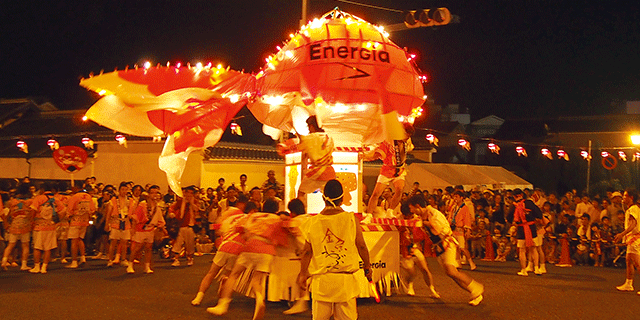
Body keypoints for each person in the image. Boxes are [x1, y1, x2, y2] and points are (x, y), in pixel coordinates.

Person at [294, 179, 372, 320]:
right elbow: (361, 246)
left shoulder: (312, 222)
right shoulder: (350, 219)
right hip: (345, 282)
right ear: (342, 199)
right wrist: (367, 266)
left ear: (323, 198)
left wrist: (303, 274)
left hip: (322, 281)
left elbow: (307, 252)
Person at [207, 198, 285, 319]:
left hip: (251, 246)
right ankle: (259, 299)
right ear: (276, 209)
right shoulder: (277, 219)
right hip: (267, 251)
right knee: (256, 280)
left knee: (234, 275)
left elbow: (242, 230)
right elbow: (281, 240)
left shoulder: (254, 216)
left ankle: (223, 304)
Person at [407, 193, 484, 306]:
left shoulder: (433, 213)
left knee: (451, 270)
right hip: (439, 247)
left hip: (447, 243)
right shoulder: (422, 216)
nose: (412, 211)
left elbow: (437, 230)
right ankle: (474, 292)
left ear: (417, 205)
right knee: (451, 273)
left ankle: (477, 287)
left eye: (412, 208)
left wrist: (424, 223)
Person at [191, 194, 249, 306]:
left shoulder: (228, 214)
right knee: (229, 275)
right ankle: (222, 299)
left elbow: (217, 229)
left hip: (225, 245)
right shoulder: (246, 217)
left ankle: (199, 297)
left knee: (211, 273)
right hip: (238, 248)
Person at [365, 125, 414, 215]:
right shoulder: (389, 142)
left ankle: (390, 211)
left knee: (400, 189)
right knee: (376, 194)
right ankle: (369, 214)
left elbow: (410, 148)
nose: (407, 137)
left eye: (408, 135)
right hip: (387, 170)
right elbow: (378, 154)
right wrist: (366, 157)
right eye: (405, 135)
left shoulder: (407, 141)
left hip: (400, 170)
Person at [398, 202, 440, 298]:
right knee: (411, 272)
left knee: (425, 269)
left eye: (411, 214)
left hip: (416, 248)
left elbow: (422, 235)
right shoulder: (398, 220)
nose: (410, 216)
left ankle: (432, 289)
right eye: (408, 215)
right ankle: (410, 284)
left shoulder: (417, 219)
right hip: (403, 251)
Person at [127, 185, 166, 274]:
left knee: (149, 248)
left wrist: (161, 228)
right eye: (152, 193)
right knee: (137, 248)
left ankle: (147, 266)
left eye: (156, 193)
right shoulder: (142, 205)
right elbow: (135, 217)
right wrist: (133, 229)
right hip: (141, 228)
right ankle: (130, 265)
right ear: (148, 194)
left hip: (150, 229)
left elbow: (160, 219)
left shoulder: (158, 206)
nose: (154, 195)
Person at [29, 183, 67, 273]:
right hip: (51, 226)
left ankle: (37, 266)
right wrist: (58, 220)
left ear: (42, 190)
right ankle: (44, 267)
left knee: (37, 247)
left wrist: (31, 222)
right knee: (48, 248)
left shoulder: (39, 198)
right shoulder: (56, 200)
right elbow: (63, 211)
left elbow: (33, 210)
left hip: (39, 225)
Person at [508, 189, 542, 276]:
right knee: (534, 248)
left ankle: (524, 269)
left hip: (521, 228)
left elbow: (508, 217)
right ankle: (537, 268)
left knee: (522, 250)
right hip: (531, 227)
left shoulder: (514, 206)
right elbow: (539, 214)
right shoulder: (529, 203)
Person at [1, 184, 33, 271]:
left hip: (14, 225)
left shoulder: (12, 202)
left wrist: (6, 223)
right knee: (25, 245)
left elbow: (8, 214)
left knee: (11, 244)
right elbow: (31, 214)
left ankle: (4, 261)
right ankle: (24, 264)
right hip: (25, 225)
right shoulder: (30, 201)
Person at [615, 189, 640, 293]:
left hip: (635, 238)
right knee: (629, 260)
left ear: (631, 197)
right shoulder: (630, 209)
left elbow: (633, 224)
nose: (623, 198)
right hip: (631, 238)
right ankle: (628, 284)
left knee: (637, 262)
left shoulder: (634, 208)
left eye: (625, 196)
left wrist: (622, 234)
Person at [66, 186, 96, 268]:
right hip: (85, 220)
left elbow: (69, 210)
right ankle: (83, 257)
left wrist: (68, 216)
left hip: (76, 220)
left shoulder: (74, 197)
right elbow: (93, 209)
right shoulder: (88, 196)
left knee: (74, 241)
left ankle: (74, 261)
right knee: (80, 239)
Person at [107, 182, 135, 267]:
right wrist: (107, 223)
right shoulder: (114, 200)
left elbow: (133, 213)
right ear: (119, 190)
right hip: (116, 221)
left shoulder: (130, 201)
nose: (124, 191)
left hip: (126, 222)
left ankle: (123, 259)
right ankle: (110, 259)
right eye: (122, 189)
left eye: (126, 190)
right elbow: (109, 212)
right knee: (113, 242)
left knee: (124, 242)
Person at [169, 186, 198, 267]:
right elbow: (172, 208)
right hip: (181, 225)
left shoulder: (195, 201)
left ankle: (190, 258)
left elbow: (197, 210)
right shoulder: (180, 201)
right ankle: (176, 259)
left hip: (190, 226)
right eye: (186, 194)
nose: (188, 196)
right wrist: (172, 213)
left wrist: (191, 204)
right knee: (178, 243)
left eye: (190, 194)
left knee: (190, 244)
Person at [449, 190, 476, 270]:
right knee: (455, 247)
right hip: (453, 229)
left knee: (462, 248)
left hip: (460, 229)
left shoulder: (465, 208)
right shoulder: (454, 207)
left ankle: (471, 262)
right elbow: (450, 217)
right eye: (454, 197)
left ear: (461, 198)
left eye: (457, 197)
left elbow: (467, 220)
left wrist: (468, 230)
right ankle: (458, 262)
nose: (455, 198)